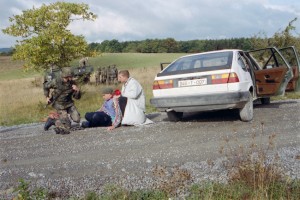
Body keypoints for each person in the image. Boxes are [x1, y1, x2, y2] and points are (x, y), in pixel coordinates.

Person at [43, 67, 81, 134]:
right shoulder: (56, 82)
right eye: (66, 78)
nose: (69, 79)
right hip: (59, 105)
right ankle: (52, 121)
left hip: (69, 104)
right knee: (67, 126)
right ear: (63, 76)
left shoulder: (73, 83)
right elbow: (45, 86)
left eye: (70, 77)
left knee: (77, 119)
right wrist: (47, 97)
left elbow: (77, 97)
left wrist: (77, 90)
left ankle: (61, 121)